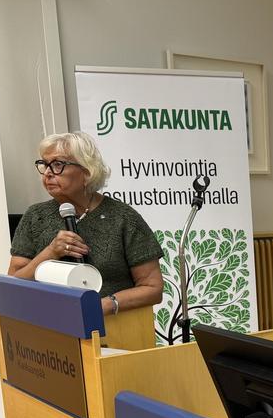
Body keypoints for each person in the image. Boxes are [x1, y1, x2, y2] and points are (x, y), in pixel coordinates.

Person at [9, 131, 164, 317]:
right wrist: (51, 252)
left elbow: (153, 288)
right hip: (49, 325)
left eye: (58, 164)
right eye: (45, 164)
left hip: (114, 326)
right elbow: (12, 285)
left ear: (87, 171)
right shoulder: (35, 216)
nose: (48, 173)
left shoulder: (123, 217)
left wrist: (103, 306)